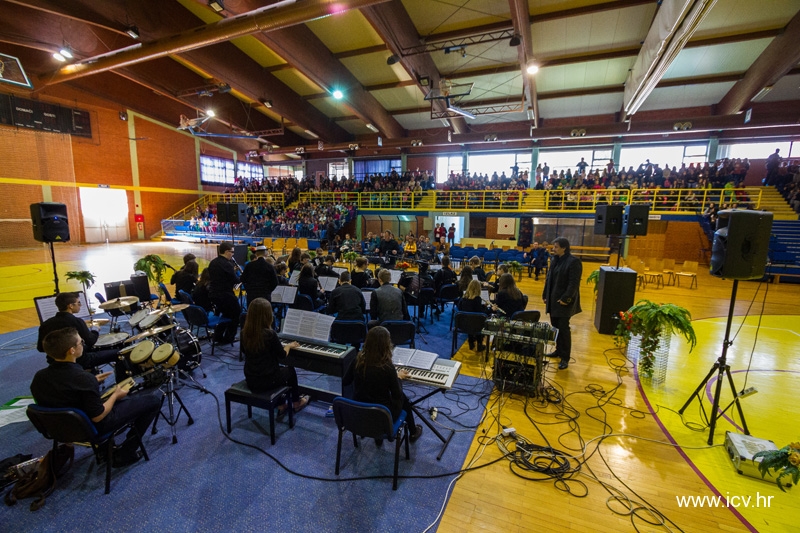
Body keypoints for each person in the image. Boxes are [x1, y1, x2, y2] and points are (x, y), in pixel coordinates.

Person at [31, 327, 161, 468]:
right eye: (80, 342)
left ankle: (105, 449)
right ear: (71, 350)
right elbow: (98, 417)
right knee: (152, 401)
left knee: (117, 400)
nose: (83, 344)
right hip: (90, 428)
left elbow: (64, 391)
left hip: (59, 429)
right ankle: (126, 453)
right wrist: (115, 395)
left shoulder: (39, 377)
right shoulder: (83, 378)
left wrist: (92, 381)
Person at [342, 326, 423, 443]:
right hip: (383, 417)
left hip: (359, 412)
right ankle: (413, 432)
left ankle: (377, 438)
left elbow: (345, 381)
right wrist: (398, 377)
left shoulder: (357, 361)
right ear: (386, 345)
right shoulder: (387, 367)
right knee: (403, 398)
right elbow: (397, 395)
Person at [240, 299, 309, 412]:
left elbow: (244, 351)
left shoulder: (244, 333)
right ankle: (296, 402)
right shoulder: (270, 334)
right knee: (290, 371)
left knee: (278, 370)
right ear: (267, 315)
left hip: (251, 379)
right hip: (268, 381)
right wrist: (288, 346)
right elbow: (282, 355)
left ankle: (281, 404)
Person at [36, 292, 122, 376]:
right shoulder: (76, 321)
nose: (80, 305)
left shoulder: (45, 324)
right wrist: (95, 329)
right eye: (78, 303)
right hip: (79, 360)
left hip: (54, 361)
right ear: (71, 306)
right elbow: (91, 341)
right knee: (119, 352)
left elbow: (40, 348)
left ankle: (92, 374)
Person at [542, 237, 582, 370]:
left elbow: (573, 284)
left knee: (563, 328)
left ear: (564, 248)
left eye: (556, 247)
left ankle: (565, 357)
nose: (553, 249)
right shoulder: (555, 260)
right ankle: (558, 350)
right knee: (556, 326)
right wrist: (545, 294)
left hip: (564, 302)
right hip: (553, 300)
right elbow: (549, 278)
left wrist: (565, 298)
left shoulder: (573, 262)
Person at [208, 242, 241, 345]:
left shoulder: (213, 262)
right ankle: (228, 338)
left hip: (214, 294)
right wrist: (241, 277)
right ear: (226, 252)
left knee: (226, 314)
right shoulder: (227, 264)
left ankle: (217, 337)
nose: (233, 255)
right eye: (232, 252)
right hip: (225, 294)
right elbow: (235, 280)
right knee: (236, 313)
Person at [457, 280, 491, 350]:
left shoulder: (463, 298)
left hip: (463, 324)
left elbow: (465, 309)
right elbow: (481, 313)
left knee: (470, 317)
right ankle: (479, 344)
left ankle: (471, 341)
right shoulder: (477, 299)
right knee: (479, 320)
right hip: (475, 325)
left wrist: (484, 306)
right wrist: (491, 309)